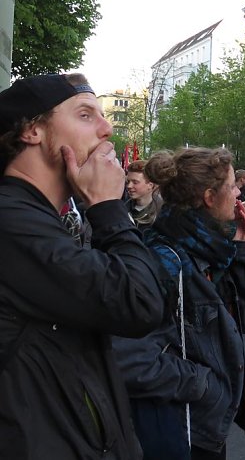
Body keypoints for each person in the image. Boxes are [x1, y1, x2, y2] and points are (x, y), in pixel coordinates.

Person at [0, 73, 168, 459]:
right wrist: (109, 209)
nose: (107, 129)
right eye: (85, 115)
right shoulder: (11, 221)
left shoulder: (41, 218)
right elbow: (138, 303)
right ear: (32, 130)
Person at [112, 148, 245, 460]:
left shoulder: (213, 250)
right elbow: (128, 358)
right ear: (210, 196)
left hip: (207, 425)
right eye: (234, 185)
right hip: (181, 428)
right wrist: (205, 385)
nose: (239, 192)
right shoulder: (163, 260)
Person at [126, 158, 163, 231]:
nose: (129, 186)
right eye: (128, 181)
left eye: (135, 182)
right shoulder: (123, 208)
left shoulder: (162, 212)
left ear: (150, 185)